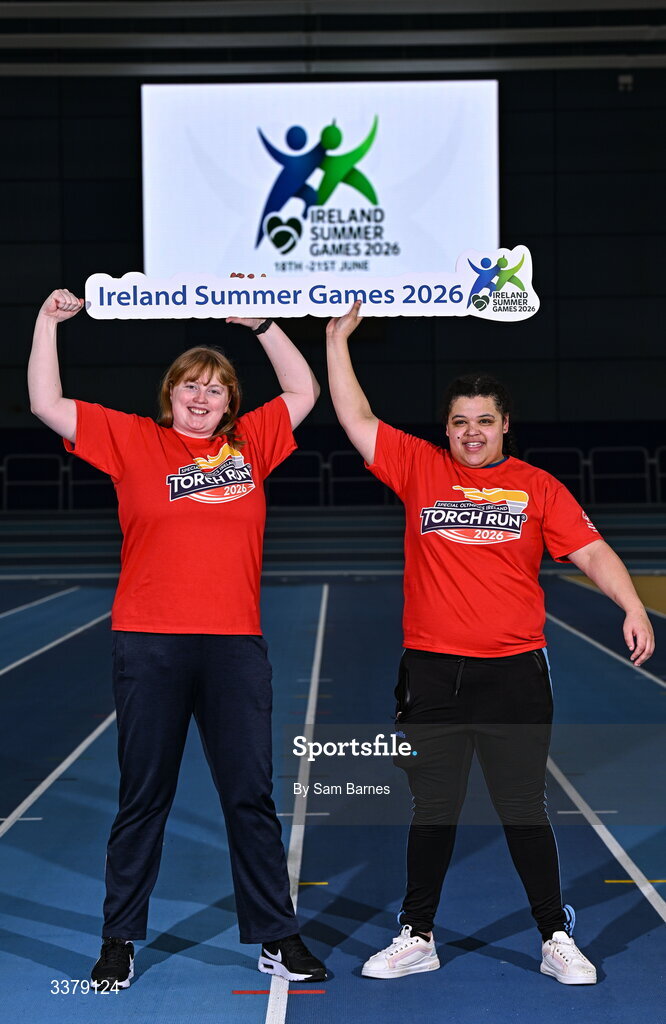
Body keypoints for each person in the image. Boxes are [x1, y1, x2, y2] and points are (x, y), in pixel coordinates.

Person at [326, 301, 654, 985]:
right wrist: (336, 341)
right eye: (459, 422)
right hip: (431, 673)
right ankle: (417, 935)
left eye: (483, 421)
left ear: (504, 425)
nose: (471, 433)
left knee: (522, 808)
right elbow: (356, 419)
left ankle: (554, 937)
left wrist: (631, 606)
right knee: (434, 811)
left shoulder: (538, 487)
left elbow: (591, 552)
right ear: (444, 428)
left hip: (513, 673)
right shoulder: (418, 468)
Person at [27, 288, 328, 989]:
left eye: (216, 389)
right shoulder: (133, 439)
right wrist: (46, 324)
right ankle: (119, 939)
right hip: (150, 642)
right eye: (191, 385)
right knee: (144, 797)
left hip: (232, 645)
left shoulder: (250, 442)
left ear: (230, 404)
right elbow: (45, 402)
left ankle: (276, 938)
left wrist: (261, 323)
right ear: (170, 395)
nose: (202, 396)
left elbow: (302, 387)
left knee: (250, 796)